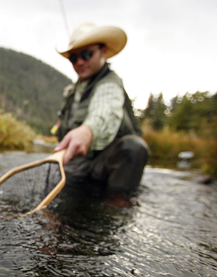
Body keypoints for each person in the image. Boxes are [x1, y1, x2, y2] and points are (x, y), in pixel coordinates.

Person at [53, 23, 149, 192]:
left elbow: (106, 110)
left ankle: (117, 203)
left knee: (134, 146)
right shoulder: (71, 93)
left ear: (103, 51)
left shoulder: (110, 85)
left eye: (86, 54)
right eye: (74, 58)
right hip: (74, 167)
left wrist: (87, 130)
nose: (80, 62)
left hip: (103, 167)